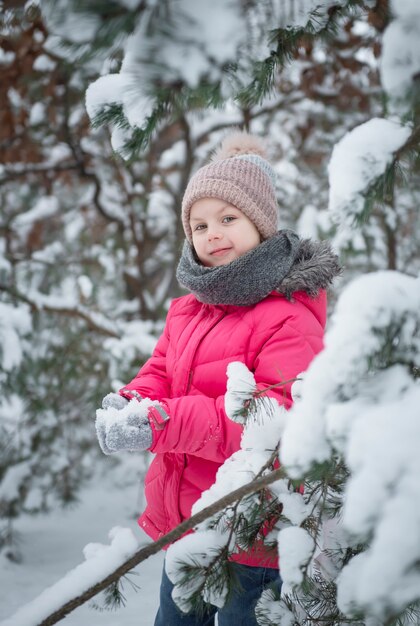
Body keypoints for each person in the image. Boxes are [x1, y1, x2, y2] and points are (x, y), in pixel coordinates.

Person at [95, 131, 341, 625]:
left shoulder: (288, 317)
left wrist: (162, 422)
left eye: (228, 218)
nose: (212, 233)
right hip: (187, 528)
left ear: (261, 224)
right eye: (200, 224)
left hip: (251, 537)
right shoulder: (188, 310)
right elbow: (161, 370)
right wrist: (133, 402)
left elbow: (273, 425)